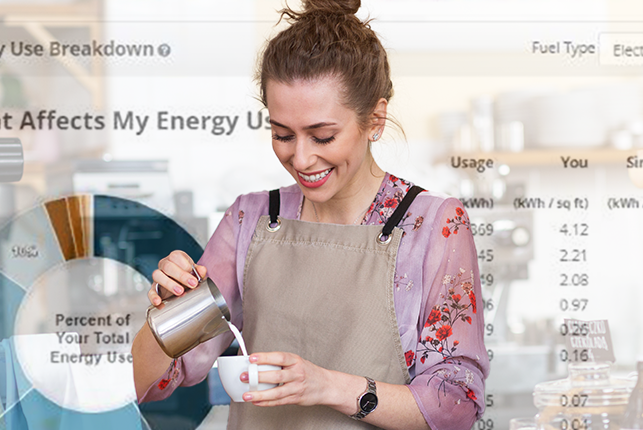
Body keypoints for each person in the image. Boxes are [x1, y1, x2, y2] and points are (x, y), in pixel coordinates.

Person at [131, 0, 489, 428]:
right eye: (282, 135)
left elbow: (457, 403)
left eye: (322, 136)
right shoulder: (252, 219)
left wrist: (328, 387)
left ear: (375, 118)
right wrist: (167, 316)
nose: (301, 158)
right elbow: (148, 385)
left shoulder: (432, 226)